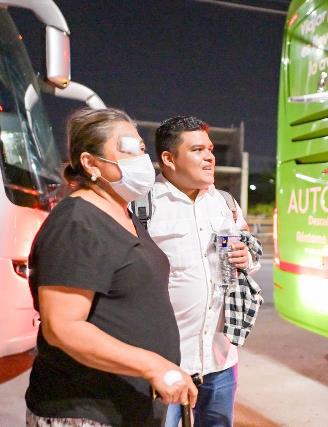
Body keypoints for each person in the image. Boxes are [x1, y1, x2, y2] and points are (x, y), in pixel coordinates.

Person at [25, 108, 197, 427]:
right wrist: (152, 365)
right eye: (127, 150)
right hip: (85, 410)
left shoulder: (123, 213)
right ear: (90, 163)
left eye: (141, 149)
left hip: (130, 406)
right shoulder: (78, 223)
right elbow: (62, 326)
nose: (141, 160)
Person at [146, 116, 259, 427]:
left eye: (210, 149)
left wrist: (247, 257)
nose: (210, 157)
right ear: (168, 158)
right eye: (197, 150)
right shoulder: (142, 206)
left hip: (220, 359)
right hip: (164, 362)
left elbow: (248, 250)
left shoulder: (225, 202)